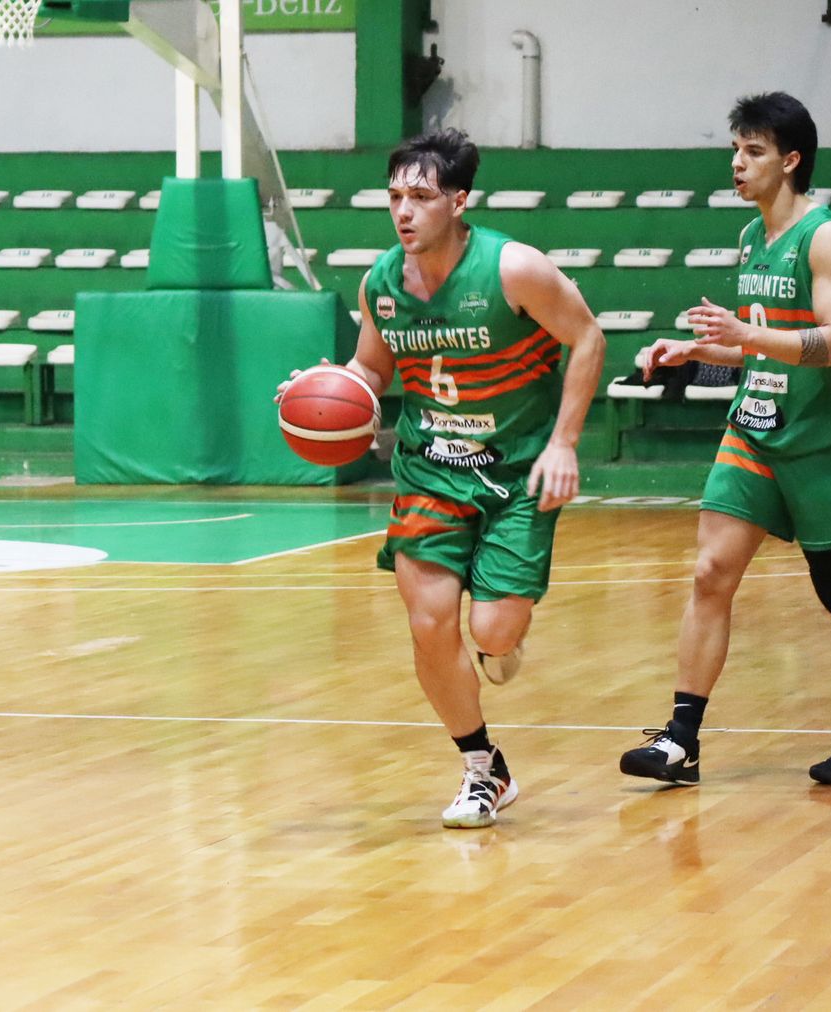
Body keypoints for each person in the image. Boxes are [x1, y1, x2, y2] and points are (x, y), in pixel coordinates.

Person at [279, 129, 605, 828]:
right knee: (430, 627)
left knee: (490, 631)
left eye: (421, 197)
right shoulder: (381, 282)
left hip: (516, 472)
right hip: (429, 470)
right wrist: (330, 388)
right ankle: (482, 768)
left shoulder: (515, 269)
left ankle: (501, 639)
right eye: (394, 197)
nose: (403, 211)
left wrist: (565, 444)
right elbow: (372, 369)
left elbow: (589, 338)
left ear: (460, 201)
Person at [619, 92, 831, 788]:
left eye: (753, 150)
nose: (737, 162)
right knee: (709, 572)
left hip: (825, 440)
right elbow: (758, 349)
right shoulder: (753, 237)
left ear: (790, 160)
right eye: (736, 148)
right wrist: (693, 354)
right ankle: (681, 740)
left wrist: (744, 335)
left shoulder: (826, 237)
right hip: (757, 428)